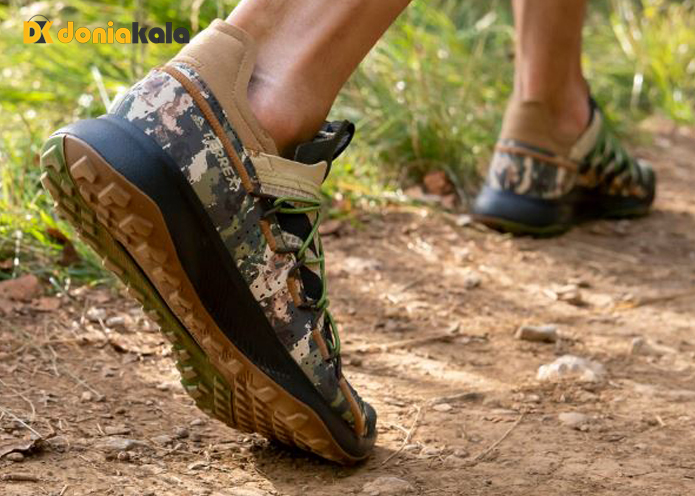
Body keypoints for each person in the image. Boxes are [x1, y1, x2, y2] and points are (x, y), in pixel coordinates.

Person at [39, 0, 655, 464]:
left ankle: (549, 113)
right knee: (262, 84)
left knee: (550, 108)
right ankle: (257, 96)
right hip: (236, 115)